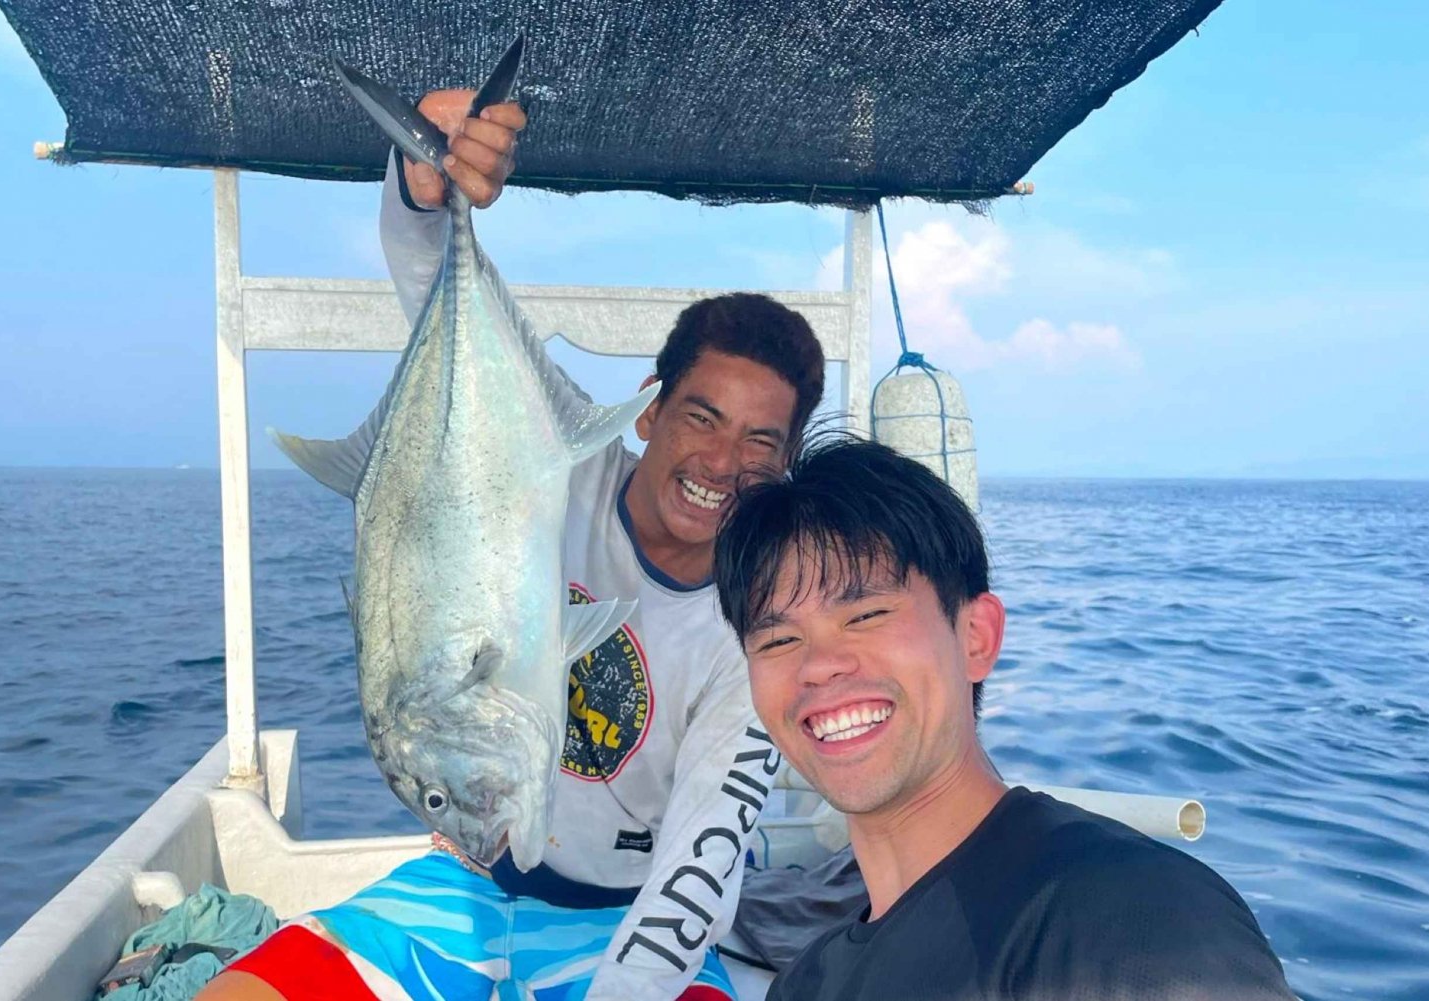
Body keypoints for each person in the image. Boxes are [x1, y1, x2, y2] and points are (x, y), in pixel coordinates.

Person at [199, 87, 825, 1001]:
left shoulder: (757, 629)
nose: (724, 463)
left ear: (789, 461)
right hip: (462, 884)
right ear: (649, 409)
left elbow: (705, 853)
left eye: (762, 443)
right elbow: (427, 272)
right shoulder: (547, 459)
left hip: (626, 915)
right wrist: (427, 187)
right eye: (701, 416)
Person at [711, 436, 1298, 1001]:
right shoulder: (805, 984)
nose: (819, 667)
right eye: (779, 640)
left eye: (865, 615)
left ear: (976, 637)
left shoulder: (1128, 922)